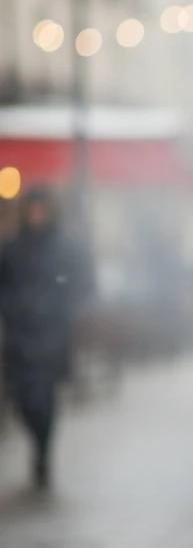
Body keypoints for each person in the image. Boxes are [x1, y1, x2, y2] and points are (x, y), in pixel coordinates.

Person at [0, 184, 93, 488]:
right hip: (19, 336)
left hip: (52, 336)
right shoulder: (12, 249)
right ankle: (38, 442)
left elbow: (82, 285)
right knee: (21, 398)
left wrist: (58, 305)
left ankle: (42, 451)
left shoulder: (65, 249)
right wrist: (14, 308)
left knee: (44, 398)